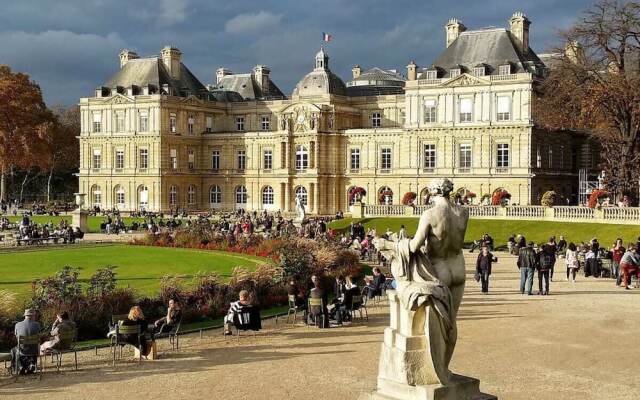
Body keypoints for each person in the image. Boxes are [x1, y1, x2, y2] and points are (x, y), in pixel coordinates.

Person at [11, 309, 42, 373]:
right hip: (35, 350)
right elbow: (39, 334)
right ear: (33, 316)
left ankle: (20, 366)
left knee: (14, 350)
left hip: (23, 350)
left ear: (25, 316)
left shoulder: (17, 325)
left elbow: (16, 337)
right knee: (32, 346)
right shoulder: (37, 324)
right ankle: (32, 364)